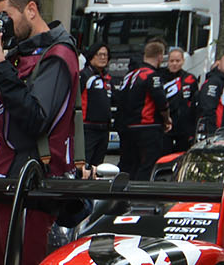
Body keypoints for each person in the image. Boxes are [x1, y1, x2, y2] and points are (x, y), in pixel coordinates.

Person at [0, 0, 81, 265]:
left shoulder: (57, 55)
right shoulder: (16, 53)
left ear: (31, 10)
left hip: (30, 188)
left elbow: (35, 118)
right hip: (1, 183)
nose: (2, 25)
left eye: (6, 17)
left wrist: (0, 68)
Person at [116, 39, 170, 178]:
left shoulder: (129, 76)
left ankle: (121, 195)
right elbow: (161, 101)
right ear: (160, 57)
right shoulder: (152, 76)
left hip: (126, 127)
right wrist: (167, 119)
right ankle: (139, 197)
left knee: (127, 165)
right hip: (147, 127)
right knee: (147, 165)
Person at [79, 43, 114, 166]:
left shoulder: (108, 78)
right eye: (100, 54)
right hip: (87, 128)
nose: (103, 58)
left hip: (104, 129)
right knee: (85, 165)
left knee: (98, 166)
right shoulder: (83, 75)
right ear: (92, 56)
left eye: (106, 55)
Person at [162, 47, 199, 152]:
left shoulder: (190, 79)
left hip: (184, 127)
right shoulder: (160, 77)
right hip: (165, 125)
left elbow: (194, 103)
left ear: (183, 61)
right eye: (172, 61)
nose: (174, 64)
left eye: (177, 61)